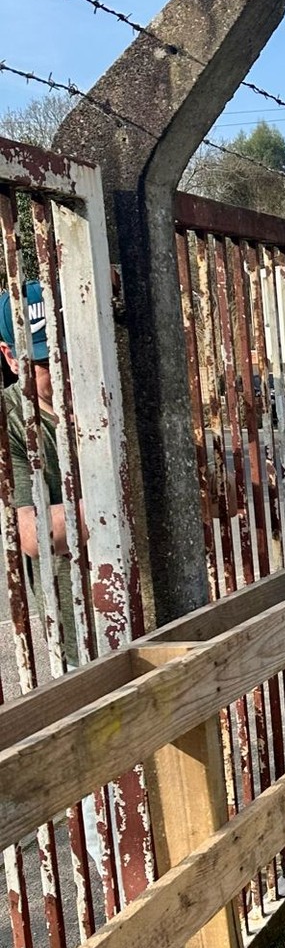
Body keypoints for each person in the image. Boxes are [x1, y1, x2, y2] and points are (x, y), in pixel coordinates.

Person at [0, 280, 80, 665]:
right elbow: (31, 534)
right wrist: (118, 505)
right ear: (11, 357)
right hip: (78, 627)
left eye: (68, 350)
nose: (62, 369)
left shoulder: (112, 391)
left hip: (152, 608)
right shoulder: (10, 422)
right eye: (45, 362)